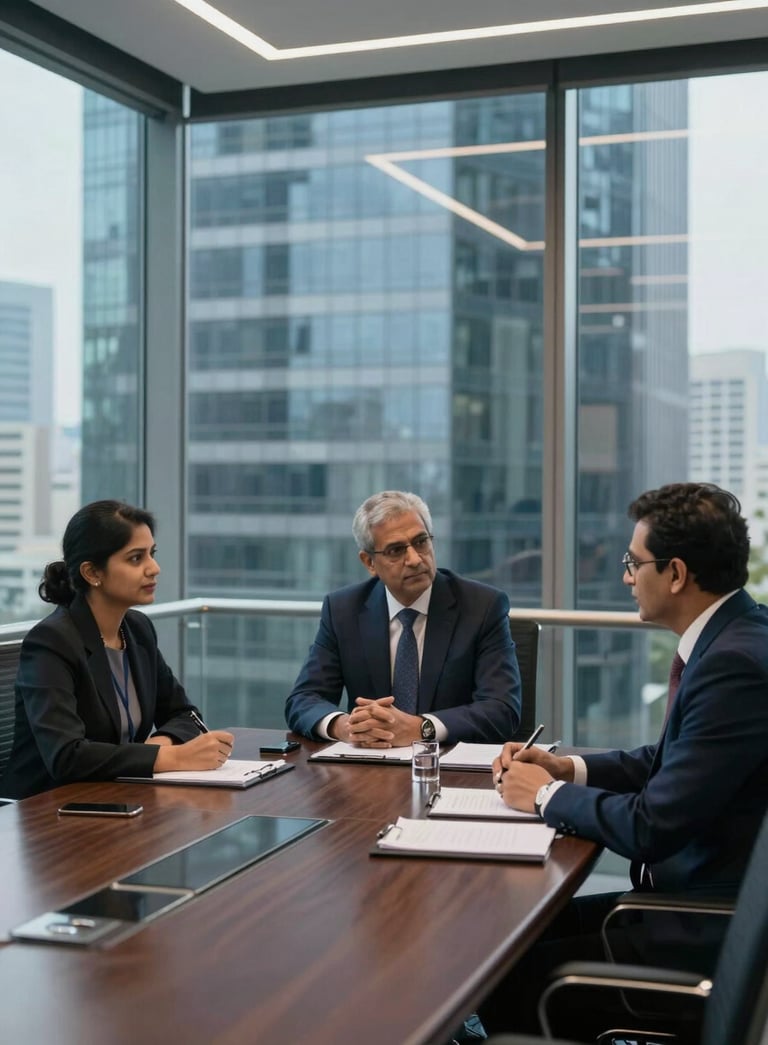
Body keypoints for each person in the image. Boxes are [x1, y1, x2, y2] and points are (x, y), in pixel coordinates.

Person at [480, 482, 768, 1037]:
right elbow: (667, 761)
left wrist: (543, 796)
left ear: (677, 574)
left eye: (633, 564)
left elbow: (650, 825)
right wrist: (568, 770)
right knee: (511, 934)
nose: (626, 578)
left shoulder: (734, 667)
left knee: (507, 973)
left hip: (699, 929)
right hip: (685, 905)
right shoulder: (735, 637)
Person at [2, 500, 234, 799]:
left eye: (152, 554)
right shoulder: (52, 641)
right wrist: (173, 757)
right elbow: (67, 756)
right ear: (92, 572)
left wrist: (154, 748)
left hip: (118, 794)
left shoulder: (137, 629)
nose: (154, 568)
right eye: (136, 558)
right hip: (47, 810)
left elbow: (185, 715)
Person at [285, 490, 521, 746]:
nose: (415, 559)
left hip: (451, 768)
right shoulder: (344, 610)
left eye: (421, 542)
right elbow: (303, 699)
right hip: (371, 767)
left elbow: (502, 710)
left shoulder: (482, 606)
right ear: (369, 562)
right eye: (396, 550)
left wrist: (422, 727)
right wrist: (345, 727)